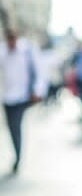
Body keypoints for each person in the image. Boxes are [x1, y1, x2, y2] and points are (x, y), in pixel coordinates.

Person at [0, 29, 46, 175]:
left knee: (15, 126)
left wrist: (37, 91)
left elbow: (39, 72)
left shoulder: (26, 51)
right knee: (11, 128)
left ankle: (18, 157)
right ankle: (17, 153)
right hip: (7, 97)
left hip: (21, 97)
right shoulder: (3, 52)